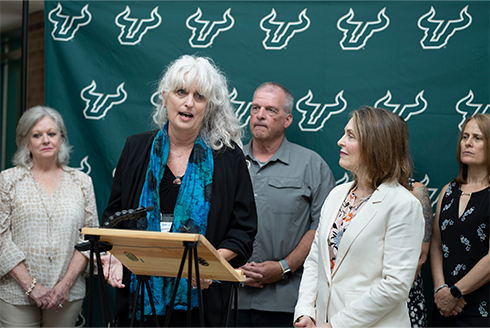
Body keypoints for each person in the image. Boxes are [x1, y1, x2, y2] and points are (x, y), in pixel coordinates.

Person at [101, 55, 257, 327]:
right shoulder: (136, 148)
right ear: (164, 97)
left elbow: (243, 231)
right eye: (181, 92)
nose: (188, 103)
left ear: (208, 107)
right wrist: (113, 255)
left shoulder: (228, 158)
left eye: (199, 96)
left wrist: (209, 265)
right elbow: (114, 216)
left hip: (203, 300)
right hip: (140, 298)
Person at [294, 106, 424, 328]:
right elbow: (316, 260)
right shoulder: (336, 194)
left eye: (350, 136)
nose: (340, 141)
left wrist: (336, 325)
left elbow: (395, 286)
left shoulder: (403, 205)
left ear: (375, 145)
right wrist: (306, 312)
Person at [237, 82, 335, 327]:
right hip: (230, 299)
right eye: (255, 108)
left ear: (287, 119)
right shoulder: (229, 162)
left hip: (287, 303)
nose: (260, 115)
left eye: (270, 110)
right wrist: (233, 270)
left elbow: (322, 228)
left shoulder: (312, 166)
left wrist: (283, 267)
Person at [0, 106, 99, 327]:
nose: (46, 140)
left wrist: (65, 285)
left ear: (61, 139)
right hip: (16, 294)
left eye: (52, 134)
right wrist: (31, 287)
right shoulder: (7, 181)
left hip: (66, 294)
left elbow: (89, 238)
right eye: (37, 135)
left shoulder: (82, 183)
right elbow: (1, 239)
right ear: (26, 142)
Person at [430, 114, 490, 327]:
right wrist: (440, 290)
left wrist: (456, 292)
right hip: (444, 307)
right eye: (465, 136)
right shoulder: (448, 191)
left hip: (480, 309)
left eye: (477, 138)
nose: (468, 143)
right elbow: (436, 246)